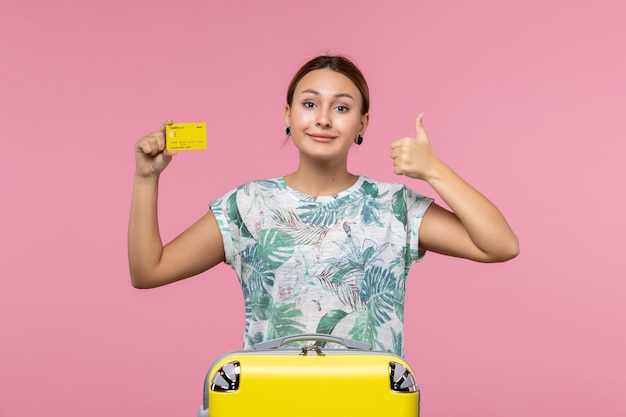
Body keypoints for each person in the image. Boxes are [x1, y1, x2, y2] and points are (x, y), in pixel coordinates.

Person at [128, 55, 519, 357]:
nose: (324, 120)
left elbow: (500, 245)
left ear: (362, 124)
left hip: (370, 403)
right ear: (288, 115)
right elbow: (149, 270)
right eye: (310, 104)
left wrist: (434, 170)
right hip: (269, 403)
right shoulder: (250, 205)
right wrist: (147, 178)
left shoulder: (393, 208)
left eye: (342, 108)